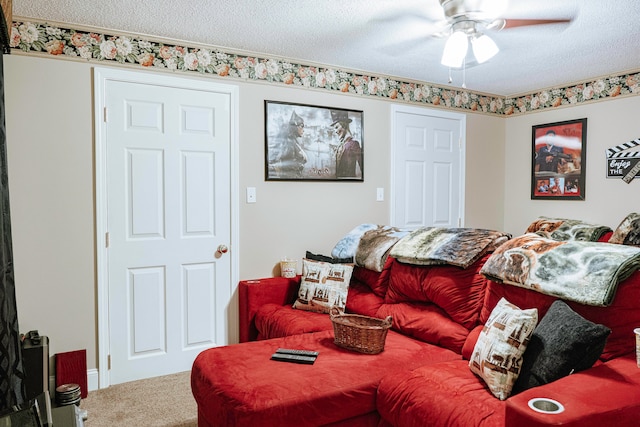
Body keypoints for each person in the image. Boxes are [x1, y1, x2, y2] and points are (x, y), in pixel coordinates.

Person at [275, 111, 308, 177]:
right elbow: (287, 164)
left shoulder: (294, 142)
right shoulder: (289, 143)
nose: (303, 130)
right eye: (301, 126)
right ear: (295, 127)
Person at [330, 110, 362, 178]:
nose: (335, 131)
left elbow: (363, 166)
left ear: (344, 126)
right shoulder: (340, 146)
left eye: (336, 127)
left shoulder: (353, 144)